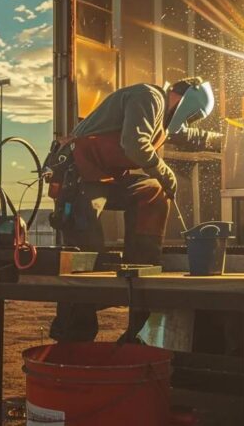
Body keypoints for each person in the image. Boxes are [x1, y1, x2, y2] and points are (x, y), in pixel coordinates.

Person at [45, 77, 221, 343]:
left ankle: (141, 273)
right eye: (192, 115)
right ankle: (73, 342)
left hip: (107, 178)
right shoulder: (148, 97)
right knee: (88, 258)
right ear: (183, 99)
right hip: (80, 175)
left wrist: (226, 139)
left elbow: (188, 135)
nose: (189, 122)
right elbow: (134, 144)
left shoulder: (165, 120)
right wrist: (164, 170)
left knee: (152, 190)